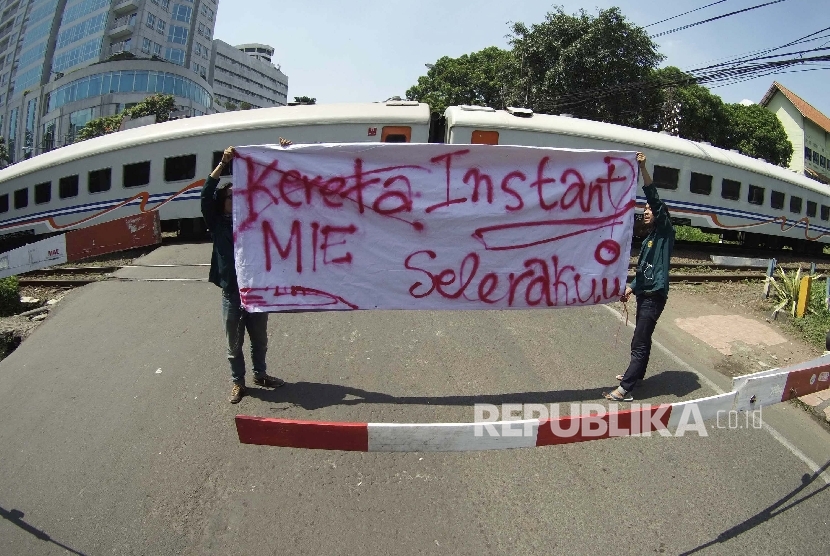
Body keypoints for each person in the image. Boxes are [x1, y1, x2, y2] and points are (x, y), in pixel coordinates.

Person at [201, 141, 291, 403]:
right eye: (231, 197)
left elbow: (277, 194)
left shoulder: (253, 220)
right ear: (223, 201)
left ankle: (260, 374)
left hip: (256, 291)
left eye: (238, 196)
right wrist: (223, 164)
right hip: (232, 293)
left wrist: (284, 155)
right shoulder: (217, 224)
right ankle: (238, 383)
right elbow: (206, 194)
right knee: (234, 344)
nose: (235, 199)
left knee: (259, 340)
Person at [605, 152, 675, 402]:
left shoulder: (666, 232)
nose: (646, 211)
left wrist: (643, 169)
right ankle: (638, 374)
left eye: (650, 209)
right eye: (644, 209)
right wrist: (631, 288)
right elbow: (642, 271)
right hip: (645, 294)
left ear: (660, 214)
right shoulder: (649, 240)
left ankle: (626, 388)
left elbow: (655, 199)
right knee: (642, 338)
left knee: (640, 341)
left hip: (655, 296)